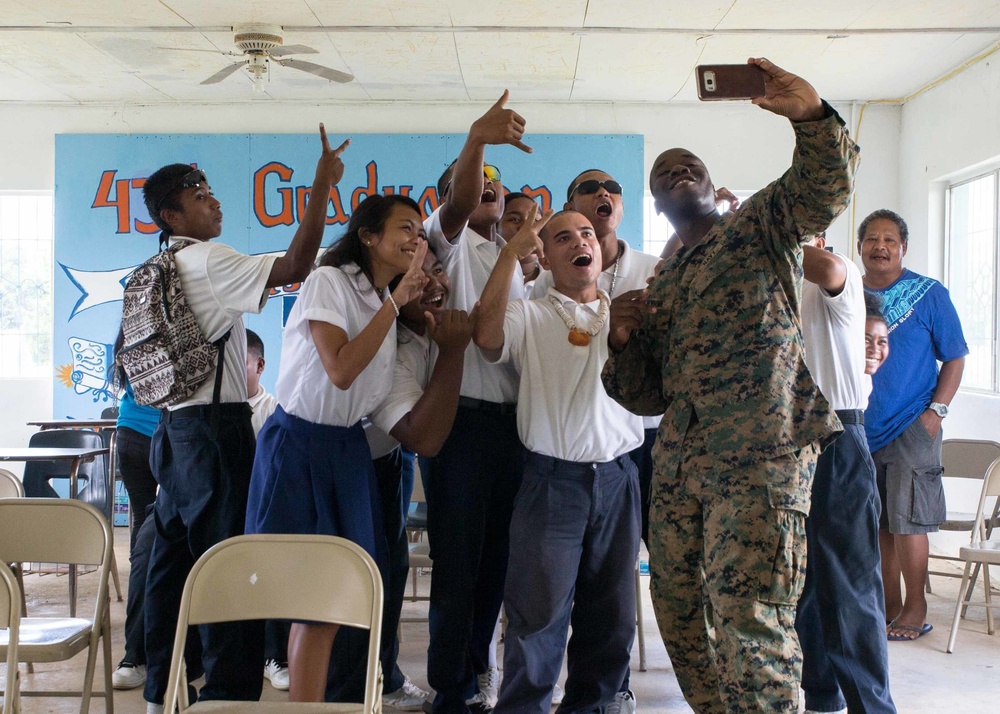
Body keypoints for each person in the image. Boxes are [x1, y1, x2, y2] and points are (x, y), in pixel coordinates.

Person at [601, 58, 859, 712]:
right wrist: (622, 342)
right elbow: (644, 395)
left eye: (690, 166)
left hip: (762, 460)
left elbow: (822, 190)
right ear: (657, 202)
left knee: (750, 618)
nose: (678, 172)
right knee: (679, 614)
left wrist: (810, 116)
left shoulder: (757, 228)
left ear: (713, 188)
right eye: (665, 173)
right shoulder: (661, 285)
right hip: (684, 469)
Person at [140, 125, 349, 714]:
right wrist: (319, 186)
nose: (214, 200)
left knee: (172, 562)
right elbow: (296, 264)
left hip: (172, 433)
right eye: (198, 194)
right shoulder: (207, 260)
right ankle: (229, 692)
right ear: (170, 213)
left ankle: (163, 690)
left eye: (211, 190)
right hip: (215, 433)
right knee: (231, 562)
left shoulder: (157, 267)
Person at [245, 191, 429, 703]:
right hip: (302, 447)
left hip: (346, 451)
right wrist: (396, 303)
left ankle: (340, 697)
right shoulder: (332, 281)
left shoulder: (380, 299)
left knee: (344, 595)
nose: (417, 239)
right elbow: (341, 369)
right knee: (314, 601)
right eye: (405, 229)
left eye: (420, 231)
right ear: (368, 236)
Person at [474, 207, 642, 713]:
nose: (578, 243)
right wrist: (509, 251)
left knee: (613, 617)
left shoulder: (627, 313)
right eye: (562, 237)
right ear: (544, 255)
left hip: (618, 479)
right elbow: (484, 336)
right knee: (537, 616)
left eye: (586, 233)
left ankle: (592, 706)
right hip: (551, 484)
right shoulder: (529, 314)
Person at [531, 168, 660, 713]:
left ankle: (602, 697)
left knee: (614, 602)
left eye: (611, 189)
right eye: (587, 190)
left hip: (633, 456)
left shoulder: (649, 273)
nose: (602, 196)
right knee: (543, 605)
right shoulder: (539, 296)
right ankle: (531, 699)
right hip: (557, 465)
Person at [422, 90, 531, 714]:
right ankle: (450, 688)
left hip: (512, 430)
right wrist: (477, 139)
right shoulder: (452, 244)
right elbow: (463, 200)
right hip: (459, 426)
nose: (490, 186)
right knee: (458, 565)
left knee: (496, 564)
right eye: (477, 181)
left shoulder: (516, 257)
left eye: (497, 181)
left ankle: (478, 674)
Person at [795, 235, 895, 714]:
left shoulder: (841, 281)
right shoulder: (777, 287)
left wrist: (752, 230)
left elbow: (826, 267)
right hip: (784, 444)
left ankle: (872, 708)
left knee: (851, 587)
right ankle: (822, 695)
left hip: (837, 436)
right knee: (805, 584)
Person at [857, 208, 968, 641]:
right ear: (861, 247)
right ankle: (888, 604)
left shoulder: (928, 293)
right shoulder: (848, 291)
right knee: (879, 522)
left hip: (913, 423)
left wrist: (936, 413)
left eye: (889, 240)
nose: (879, 247)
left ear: (903, 249)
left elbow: (955, 356)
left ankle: (916, 606)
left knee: (909, 522)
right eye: (871, 239)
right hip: (862, 425)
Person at [498, 192, 542, 283]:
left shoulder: (556, 279)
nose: (526, 228)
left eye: (535, 220)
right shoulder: (481, 270)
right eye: (515, 219)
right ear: (495, 227)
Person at [245, 329, 279, 438]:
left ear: (260, 365)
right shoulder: (207, 407)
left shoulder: (274, 413)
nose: (229, 371)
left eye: (238, 363)